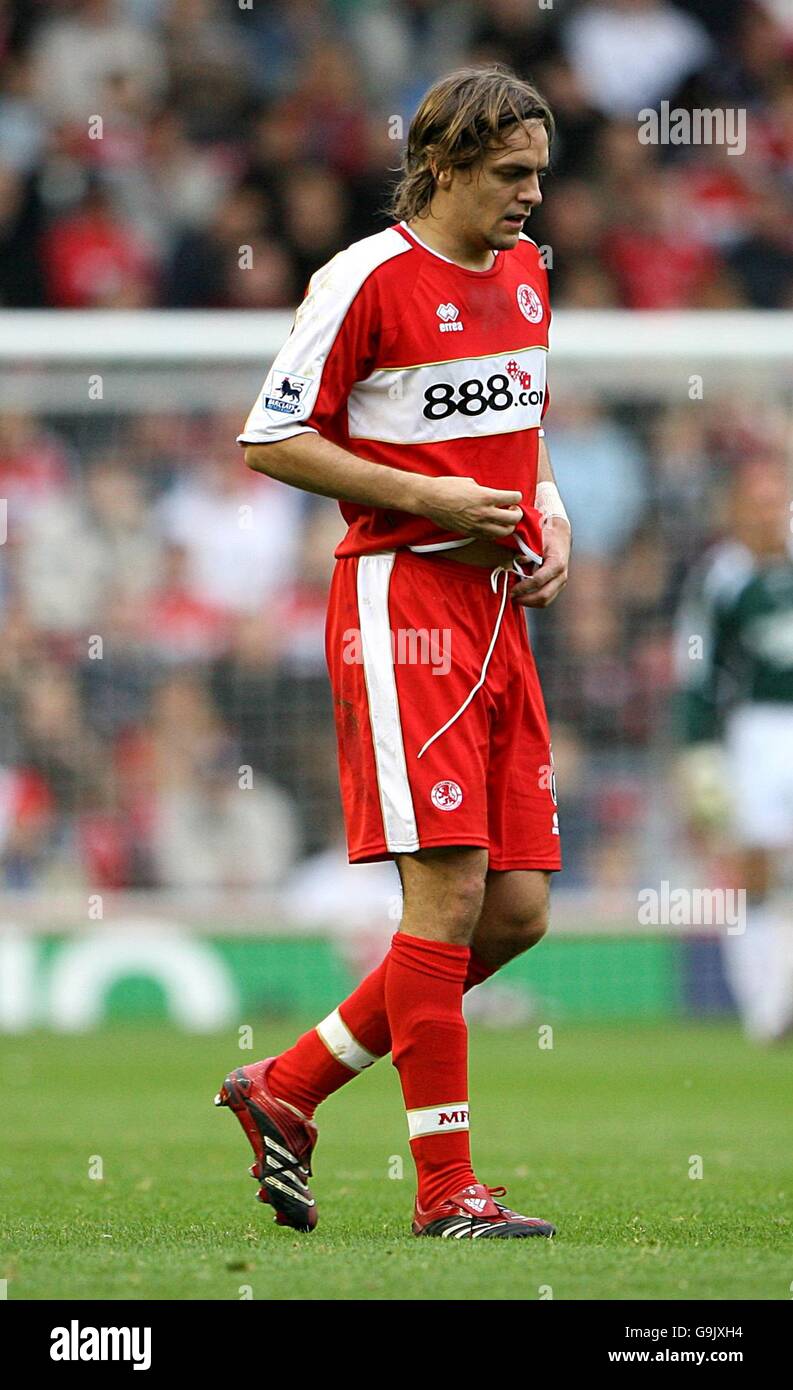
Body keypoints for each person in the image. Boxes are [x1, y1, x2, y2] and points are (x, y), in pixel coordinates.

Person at [216, 65, 572, 1240]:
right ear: (440, 165)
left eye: (538, 172)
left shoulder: (527, 273)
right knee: (448, 892)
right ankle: (445, 1193)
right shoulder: (362, 278)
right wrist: (431, 498)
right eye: (510, 174)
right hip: (402, 602)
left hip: (497, 614)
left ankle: (289, 1087)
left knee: (513, 912)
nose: (531, 195)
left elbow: (520, 418)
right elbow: (272, 438)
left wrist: (547, 508)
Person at [675, 459, 793, 1044]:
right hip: (758, 733)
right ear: (739, 512)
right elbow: (695, 672)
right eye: (761, 502)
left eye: (780, 500)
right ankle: (764, 1008)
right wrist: (698, 751)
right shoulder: (723, 577)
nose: (773, 513)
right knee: (755, 866)